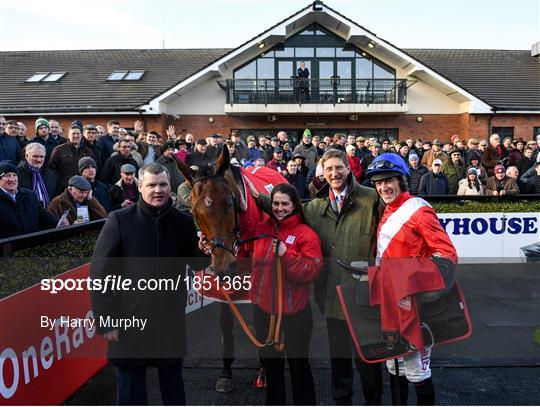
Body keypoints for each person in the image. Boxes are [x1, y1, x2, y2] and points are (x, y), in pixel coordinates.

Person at [251, 148, 383, 405]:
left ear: (349, 168)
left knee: (368, 361)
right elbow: (286, 207)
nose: (334, 173)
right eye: (329, 169)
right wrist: (257, 198)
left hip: (364, 299)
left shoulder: (371, 199)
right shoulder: (316, 207)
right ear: (323, 172)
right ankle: (342, 402)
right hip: (333, 299)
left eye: (339, 167)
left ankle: (373, 402)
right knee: (340, 361)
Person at [90, 162, 200, 405]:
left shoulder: (183, 222)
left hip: (169, 320)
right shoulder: (119, 220)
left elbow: (198, 262)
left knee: (173, 385)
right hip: (129, 319)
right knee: (130, 390)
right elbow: (99, 273)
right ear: (140, 187)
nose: (157, 190)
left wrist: (213, 247)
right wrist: (107, 319)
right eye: (151, 185)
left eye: (162, 184)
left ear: (170, 187)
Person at [365, 153, 458, 405]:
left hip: (414, 306)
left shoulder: (417, 209)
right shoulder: (386, 210)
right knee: (395, 368)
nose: (383, 187)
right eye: (378, 183)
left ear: (401, 180)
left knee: (416, 370)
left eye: (389, 181)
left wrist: (415, 286)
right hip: (391, 303)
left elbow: (446, 256)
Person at [241, 183, 322, 405]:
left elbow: (311, 271)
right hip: (264, 308)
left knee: (298, 365)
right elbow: (245, 256)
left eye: (285, 204)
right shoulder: (261, 229)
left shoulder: (306, 234)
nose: (279, 208)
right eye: (275, 203)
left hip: (295, 311)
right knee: (271, 366)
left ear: (294, 205)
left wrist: (287, 255)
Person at [0, 161, 63, 239]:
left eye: (14, 175)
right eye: (7, 176)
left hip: (32, 245)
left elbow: (42, 215)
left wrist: (58, 223)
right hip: (8, 248)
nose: (12, 179)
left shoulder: (30, 195)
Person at [48, 124, 95, 189]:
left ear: (81, 135)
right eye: (73, 134)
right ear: (68, 135)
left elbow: (94, 168)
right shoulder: (59, 149)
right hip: (64, 187)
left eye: (78, 134)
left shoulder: (88, 151)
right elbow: (51, 169)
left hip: (84, 187)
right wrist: (59, 182)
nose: (75, 136)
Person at [17, 142, 60, 208]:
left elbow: (56, 198)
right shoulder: (17, 174)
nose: (39, 160)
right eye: (35, 156)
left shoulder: (51, 176)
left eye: (42, 157)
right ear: (26, 156)